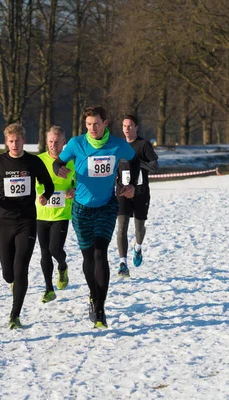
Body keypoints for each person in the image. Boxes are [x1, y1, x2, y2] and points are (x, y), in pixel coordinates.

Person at [53, 105, 139, 328]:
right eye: (89, 124)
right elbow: (58, 162)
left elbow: (134, 161)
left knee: (100, 253)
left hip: (107, 206)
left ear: (106, 123)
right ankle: (93, 295)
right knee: (88, 257)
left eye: (96, 124)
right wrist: (58, 169)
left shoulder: (117, 144)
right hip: (81, 209)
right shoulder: (76, 144)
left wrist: (129, 184)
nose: (92, 128)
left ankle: (100, 307)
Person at [0, 122, 54, 329]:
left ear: (24, 140)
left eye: (18, 140)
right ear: (7, 142)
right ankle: (12, 280)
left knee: (21, 267)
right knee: (8, 273)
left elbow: (48, 184)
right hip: (3, 221)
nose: (15, 144)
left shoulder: (32, 162)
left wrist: (45, 196)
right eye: (11, 141)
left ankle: (15, 314)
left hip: (27, 221)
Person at [35, 126, 75, 303]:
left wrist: (74, 190)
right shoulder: (38, 161)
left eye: (57, 142)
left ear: (63, 142)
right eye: (50, 142)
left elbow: (80, 183)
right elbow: (31, 184)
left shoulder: (72, 161)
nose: (53, 145)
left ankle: (62, 264)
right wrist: (39, 195)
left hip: (62, 213)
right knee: (44, 253)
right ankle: (49, 289)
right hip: (42, 213)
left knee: (54, 249)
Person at [116, 115, 159, 278]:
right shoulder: (118, 146)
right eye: (124, 126)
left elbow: (155, 166)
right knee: (122, 227)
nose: (126, 128)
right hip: (122, 192)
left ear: (136, 128)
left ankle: (138, 248)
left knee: (139, 228)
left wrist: (136, 161)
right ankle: (123, 264)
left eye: (130, 126)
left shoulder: (143, 145)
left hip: (140, 192)